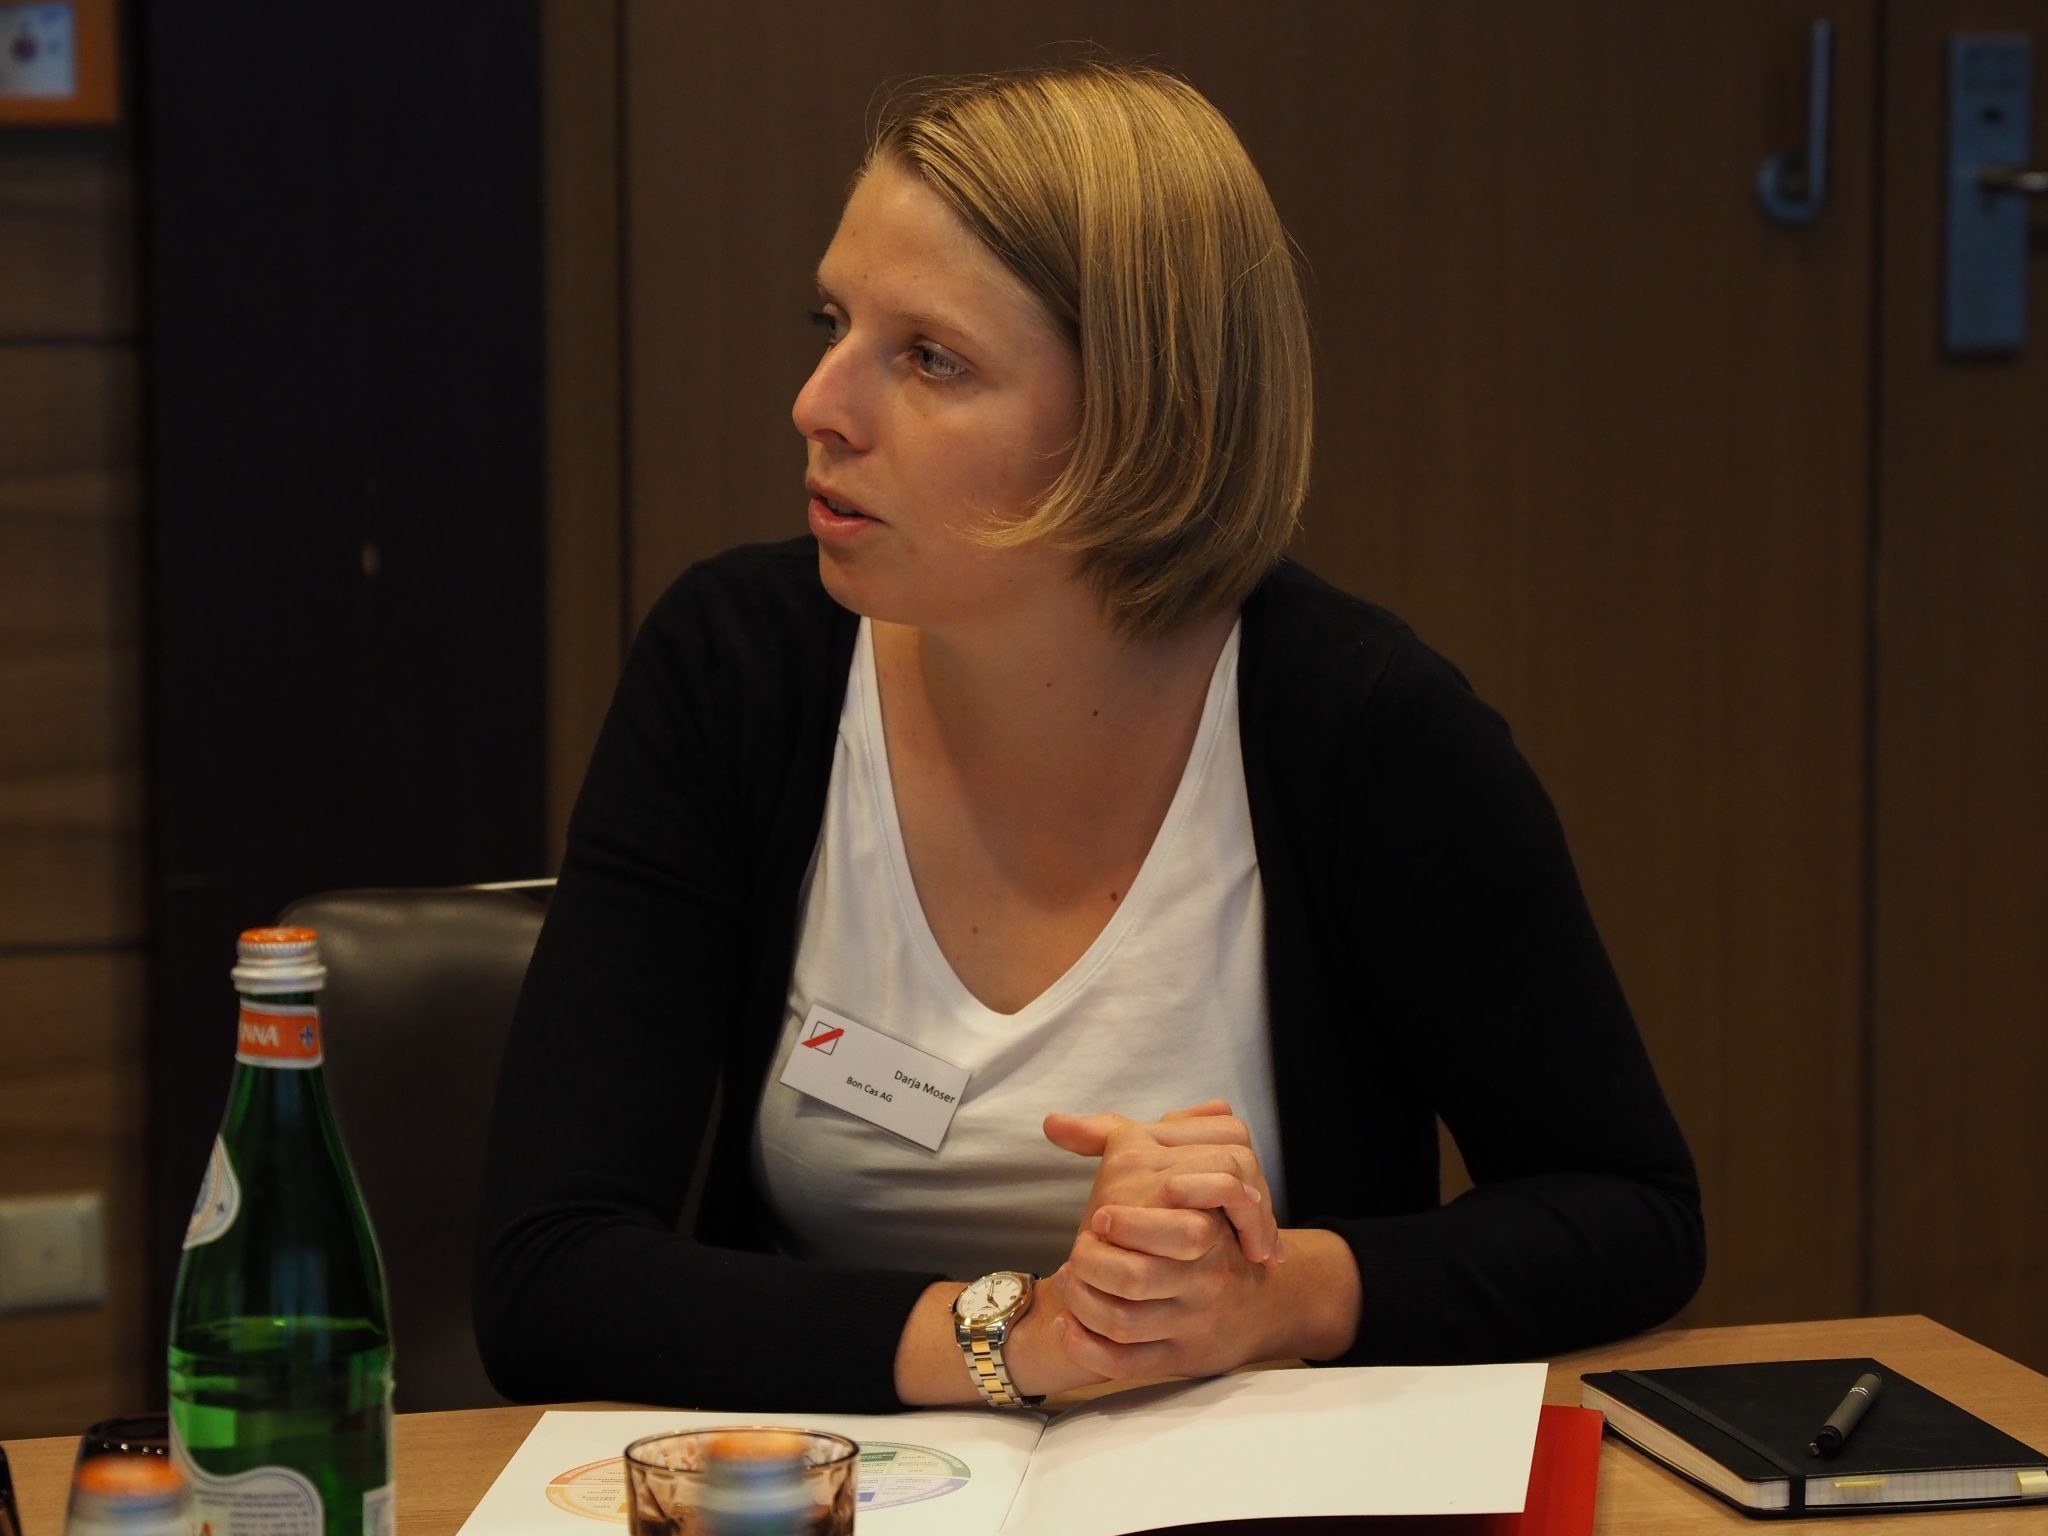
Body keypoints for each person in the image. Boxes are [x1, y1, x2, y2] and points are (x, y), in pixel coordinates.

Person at [474, 60, 1704, 1415]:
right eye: (833, 323)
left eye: (929, 358)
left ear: (1142, 419)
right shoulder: (736, 671)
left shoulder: (1363, 728)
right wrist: (1022, 1335)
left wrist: (1283, 1293)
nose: (818, 403)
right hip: (845, 1487)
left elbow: (1629, 1213)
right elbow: (550, 1278)